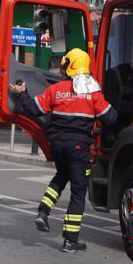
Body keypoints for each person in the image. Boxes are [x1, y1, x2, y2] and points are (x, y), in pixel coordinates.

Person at [9, 48, 116, 253]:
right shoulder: (92, 92)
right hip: (79, 149)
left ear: (68, 66)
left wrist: (23, 94)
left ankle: (43, 211)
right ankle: (70, 240)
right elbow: (110, 117)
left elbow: (33, 109)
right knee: (78, 193)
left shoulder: (55, 89)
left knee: (61, 176)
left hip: (57, 146)